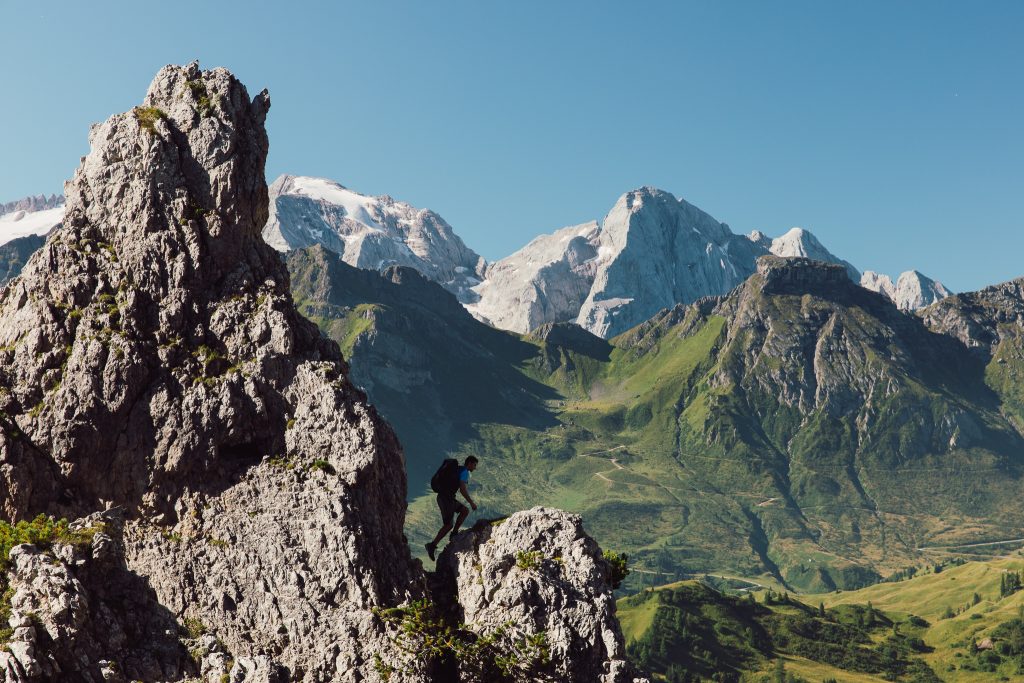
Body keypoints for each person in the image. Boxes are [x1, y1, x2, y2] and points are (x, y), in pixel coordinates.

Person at [426, 455, 478, 561]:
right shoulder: (464, 472)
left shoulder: (459, 470)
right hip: (446, 499)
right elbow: (462, 489)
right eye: (474, 465)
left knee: (464, 510)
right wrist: (471, 502)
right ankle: (432, 545)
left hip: (447, 498)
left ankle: (454, 533)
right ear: (469, 463)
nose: (475, 468)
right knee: (448, 525)